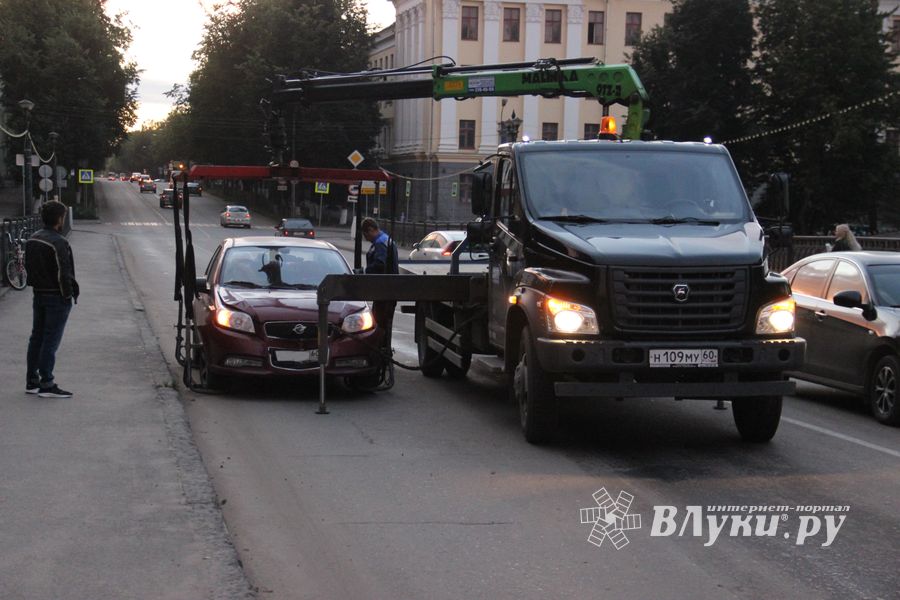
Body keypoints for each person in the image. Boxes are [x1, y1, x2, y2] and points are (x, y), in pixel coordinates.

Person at [24, 201, 79, 398]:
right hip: (56, 297)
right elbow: (64, 273)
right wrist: (67, 295)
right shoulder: (58, 242)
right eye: (63, 217)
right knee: (50, 340)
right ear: (59, 219)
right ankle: (47, 383)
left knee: (36, 337)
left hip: (38, 293)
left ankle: (32, 380)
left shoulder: (33, 238)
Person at [361, 217, 399, 338]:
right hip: (387, 290)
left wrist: (366, 271)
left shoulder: (380, 243)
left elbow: (380, 264)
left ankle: (381, 351)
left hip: (384, 290)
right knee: (383, 323)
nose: (366, 238)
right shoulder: (385, 239)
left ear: (371, 230)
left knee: (380, 324)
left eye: (365, 235)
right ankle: (383, 348)